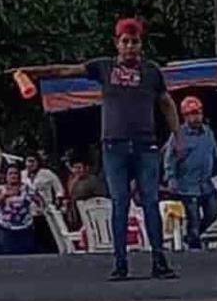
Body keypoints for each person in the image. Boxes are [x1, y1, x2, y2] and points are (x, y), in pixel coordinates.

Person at [23, 18, 180, 280]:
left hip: (145, 144)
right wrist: (34, 72)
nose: (130, 47)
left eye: (135, 42)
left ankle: (159, 260)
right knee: (119, 202)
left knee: (151, 201)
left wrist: (178, 137)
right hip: (114, 145)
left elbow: (166, 103)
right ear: (117, 44)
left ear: (141, 44)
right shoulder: (104, 67)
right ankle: (120, 262)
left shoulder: (151, 71)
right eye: (125, 42)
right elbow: (65, 71)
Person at [165, 96, 217, 251]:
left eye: (198, 113)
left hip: (206, 183)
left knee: (213, 212)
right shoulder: (179, 135)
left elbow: (215, 154)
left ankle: (193, 236)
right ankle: (194, 245)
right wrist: (171, 178)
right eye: (191, 113)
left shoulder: (208, 133)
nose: (196, 117)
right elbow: (169, 159)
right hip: (187, 184)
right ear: (185, 116)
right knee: (194, 217)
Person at [0, 165, 42, 255]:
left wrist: (38, 206)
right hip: (6, 228)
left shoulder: (27, 188)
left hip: (25, 227)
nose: (13, 176)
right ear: (6, 176)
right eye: (10, 174)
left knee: (26, 256)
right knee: (8, 256)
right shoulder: (0, 190)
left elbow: (40, 201)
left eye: (16, 173)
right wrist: (4, 196)